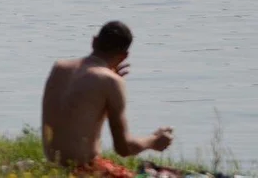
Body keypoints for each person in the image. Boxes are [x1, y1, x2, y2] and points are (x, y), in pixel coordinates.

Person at [41, 21, 174, 177]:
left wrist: (109, 80)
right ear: (124, 56)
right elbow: (123, 148)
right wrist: (154, 141)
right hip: (84, 170)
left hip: (53, 165)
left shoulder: (59, 67)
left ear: (94, 41)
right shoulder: (111, 82)